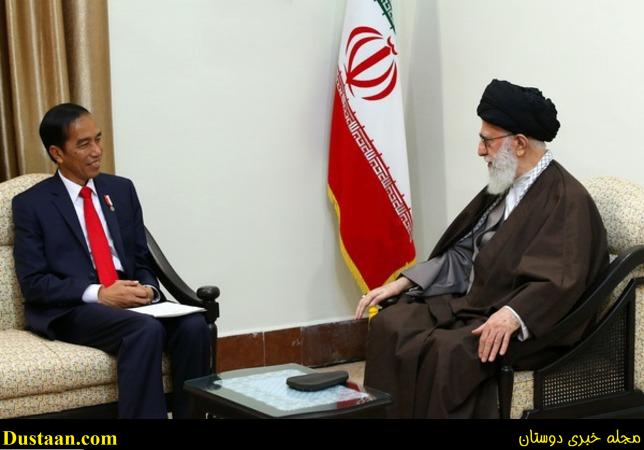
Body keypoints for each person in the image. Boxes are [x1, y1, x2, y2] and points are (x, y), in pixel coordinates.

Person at [354, 79, 609, 418]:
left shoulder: (567, 199)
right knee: (392, 322)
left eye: (487, 141)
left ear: (519, 144)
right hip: (479, 303)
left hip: (531, 324)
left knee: (448, 351)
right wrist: (404, 283)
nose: (479, 151)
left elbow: (561, 282)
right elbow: (464, 253)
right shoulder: (506, 184)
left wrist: (514, 315)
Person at [12, 103, 210, 419]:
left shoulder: (121, 190)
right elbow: (35, 283)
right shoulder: (31, 204)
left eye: (98, 139)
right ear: (57, 153)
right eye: (84, 144)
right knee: (144, 330)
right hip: (75, 307)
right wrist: (100, 294)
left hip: (128, 296)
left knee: (193, 326)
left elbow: (141, 258)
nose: (97, 151)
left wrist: (148, 290)